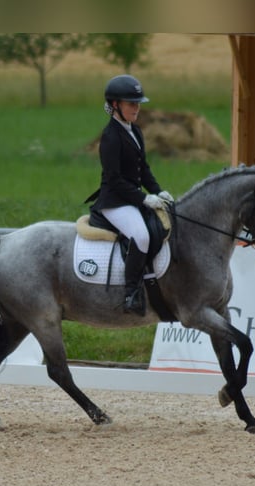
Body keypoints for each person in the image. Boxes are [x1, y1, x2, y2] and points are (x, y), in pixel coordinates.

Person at [86, 74, 173, 316]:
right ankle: (131, 292)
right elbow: (114, 180)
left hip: (131, 198)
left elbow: (143, 169)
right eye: (131, 103)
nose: (136, 108)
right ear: (115, 105)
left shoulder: (135, 131)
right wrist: (143, 198)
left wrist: (158, 191)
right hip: (114, 202)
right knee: (141, 236)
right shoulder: (110, 136)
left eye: (138, 103)